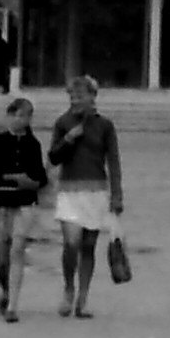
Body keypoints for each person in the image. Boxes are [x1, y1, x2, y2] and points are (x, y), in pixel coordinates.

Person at [47, 74, 124, 318]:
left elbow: (113, 161)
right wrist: (69, 138)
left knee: (89, 246)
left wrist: (117, 195)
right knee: (71, 244)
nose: (76, 100)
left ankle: (83, 297)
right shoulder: (62, 123)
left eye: (81, 96)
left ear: (93, 97)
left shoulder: (105, 125)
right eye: (72, 96)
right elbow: (53, 156)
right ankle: (68, 289)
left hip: (96, 190)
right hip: (70, 190)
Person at [0, 96, 49, 320]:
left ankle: (13, 306)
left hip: (25, 202)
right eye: (17, 115)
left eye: (26, 116)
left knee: (18, 249)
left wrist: (30, 181)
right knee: (1, 256)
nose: (21, 120)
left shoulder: (32, 144)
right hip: (2, 202)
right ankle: (5, 289)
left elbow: (41, 177)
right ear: (9, 116)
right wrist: (9, 177)